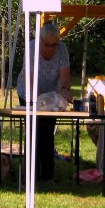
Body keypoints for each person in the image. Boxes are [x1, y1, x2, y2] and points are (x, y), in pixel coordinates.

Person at [16, 20, 71, 181]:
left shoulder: (62, 49)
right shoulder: (32, 48)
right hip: (29, 92)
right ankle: (31, 174)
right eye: (47, 45)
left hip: (51, 93)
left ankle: (47, 175)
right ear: (40, 41)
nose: (51, 49)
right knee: (33, 131)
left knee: (47, 132)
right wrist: (37, 103)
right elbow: (30, 81)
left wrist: (65, 89)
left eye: (54, 45)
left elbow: (65, 75)